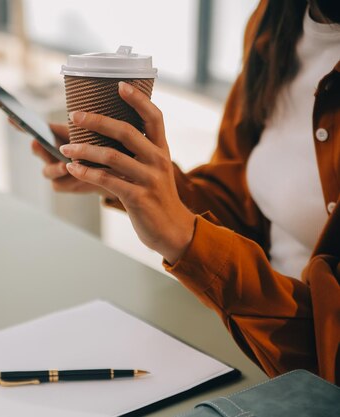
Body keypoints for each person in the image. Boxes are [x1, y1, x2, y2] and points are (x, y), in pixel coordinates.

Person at [30, 0, 340, 384]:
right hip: (244, 333)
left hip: (296, 369)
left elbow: (329, 347)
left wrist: (187, 240)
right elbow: (240, 199)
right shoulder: (276, 20)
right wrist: (135, 182)